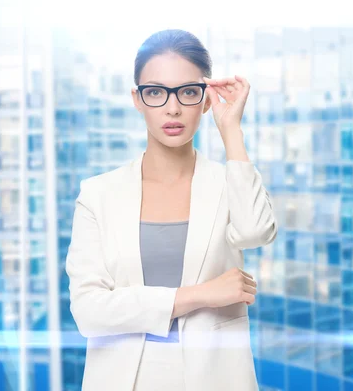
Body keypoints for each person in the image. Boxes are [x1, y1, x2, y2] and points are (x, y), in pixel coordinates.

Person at [65, 29, 278, 391]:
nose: (172, 107)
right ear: (138, 99)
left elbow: (256, 231)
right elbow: (89, 311)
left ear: (206, 100)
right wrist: (199, 295)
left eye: (188, 92)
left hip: (215, 379)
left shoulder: (227, 184)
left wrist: (232, 133)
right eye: (156, 92)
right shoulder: (98, 194)